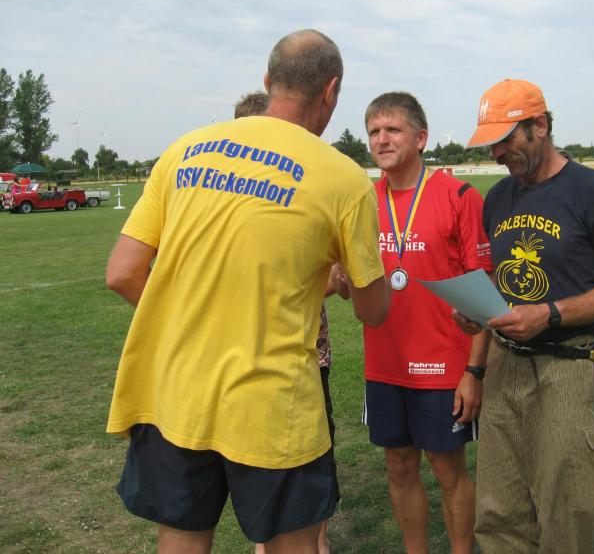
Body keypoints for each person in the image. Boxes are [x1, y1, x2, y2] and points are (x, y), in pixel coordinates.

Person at [105, 29, 390, 554]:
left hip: (174, 392)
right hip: (273, 404)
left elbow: (122, 272)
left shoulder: (183, 150)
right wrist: (347, 279)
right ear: (330, 90)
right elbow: (374, 311)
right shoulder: (344, 178)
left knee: (182, 540)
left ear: (268, 80)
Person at [456, 78, 594, 553]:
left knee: (565, 507)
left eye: (505, 140)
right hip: (504, 365)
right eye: (491, 145)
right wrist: (478, 316)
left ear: (539, 126)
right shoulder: (499, 198)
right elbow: (501, 283)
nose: (497, 154)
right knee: (498, 510)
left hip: (568, 367)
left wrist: (551, 314)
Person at [361, 92, 493, 554]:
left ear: (420, 138)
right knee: (398, 465)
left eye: (392, 130)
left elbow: (482, 294)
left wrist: (474, 372)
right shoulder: (363, 201)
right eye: (374, 131)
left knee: (447, 468)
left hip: (443, 366)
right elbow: (354, 280)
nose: (381, 139)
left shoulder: (458, 196)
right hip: (385, 364)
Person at [233, 89, 342, 554]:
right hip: (263, 361)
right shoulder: (242, 203)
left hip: (305, 356)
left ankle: (316, 540)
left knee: (312, 456)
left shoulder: (301, 192)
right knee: (268, 464)